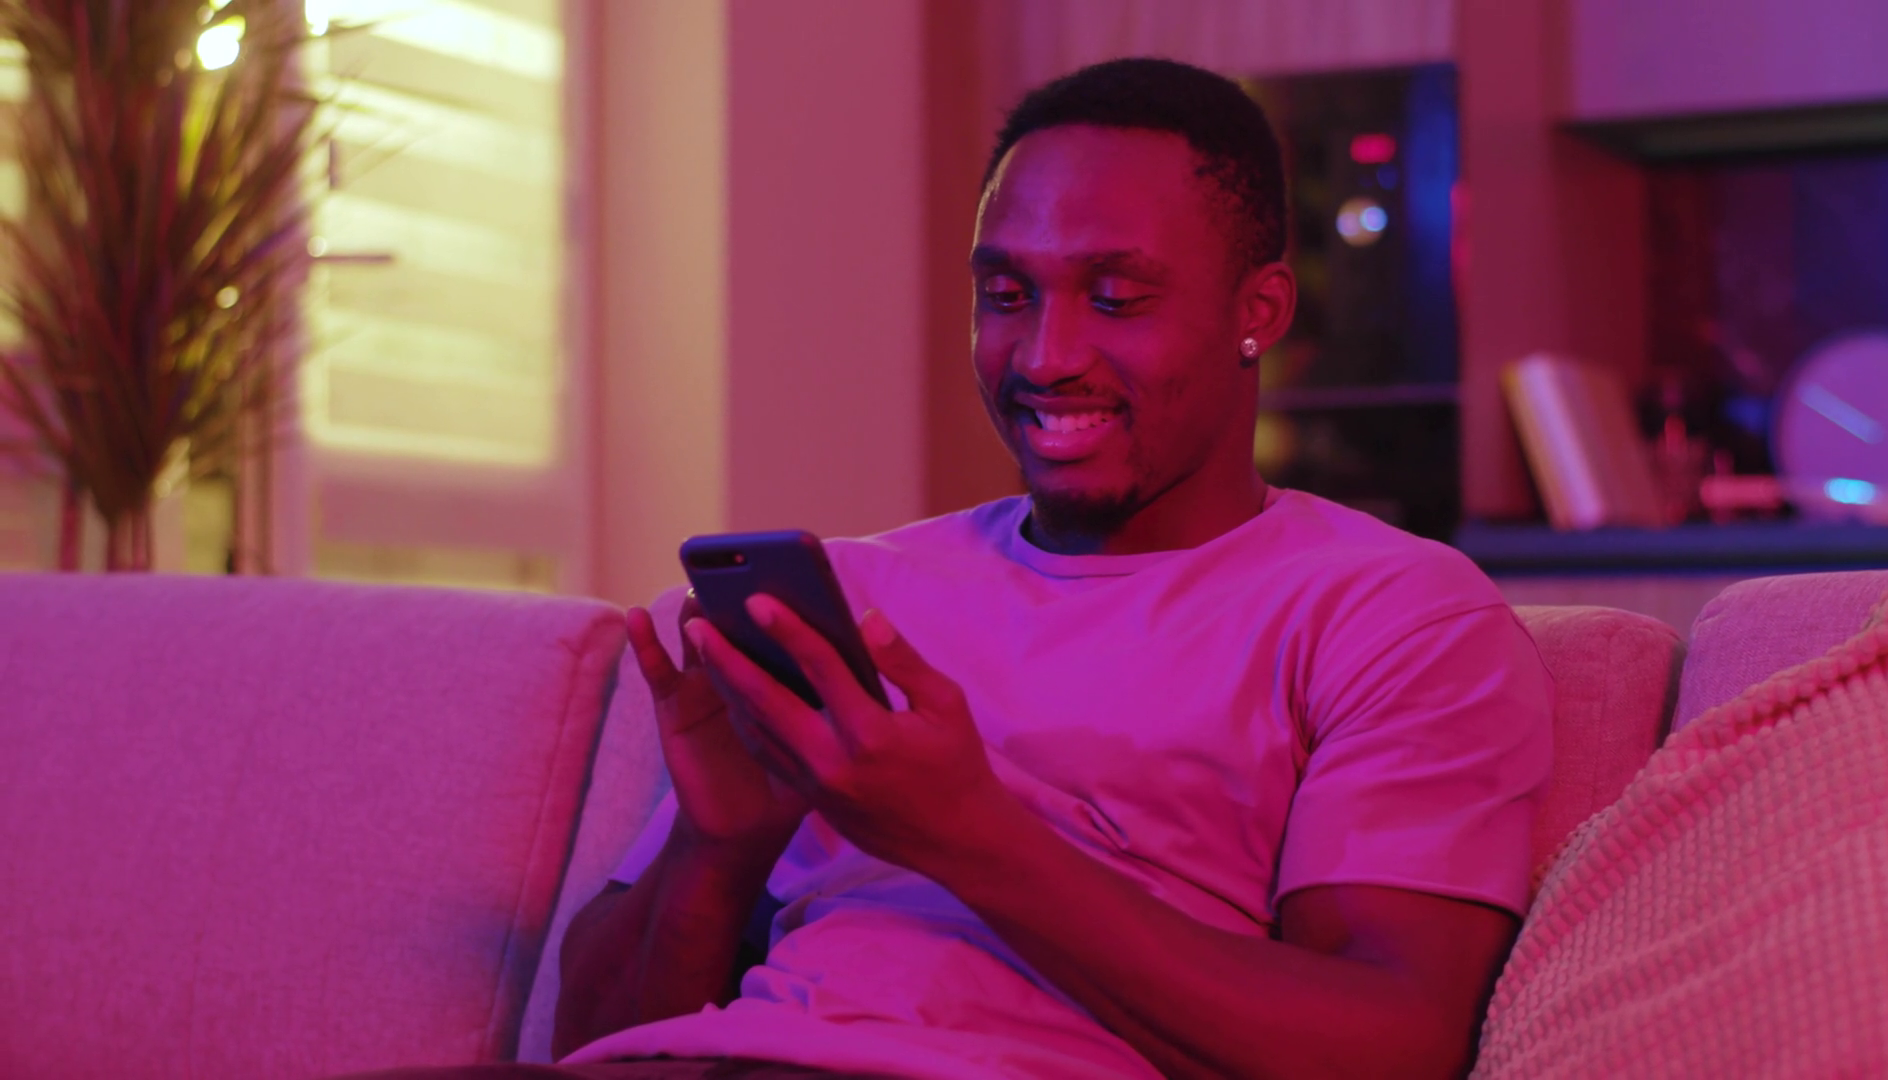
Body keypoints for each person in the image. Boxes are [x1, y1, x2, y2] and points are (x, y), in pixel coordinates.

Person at [355, 56, 1552, 1080]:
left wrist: (966, 832)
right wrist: (715, 848)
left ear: (1261, 310)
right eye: (1006, 294)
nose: (1045, 355)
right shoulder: (862, 596)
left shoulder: (1391, 614)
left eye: (1116, 297)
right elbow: (593, 1041)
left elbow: (1390, 1046)